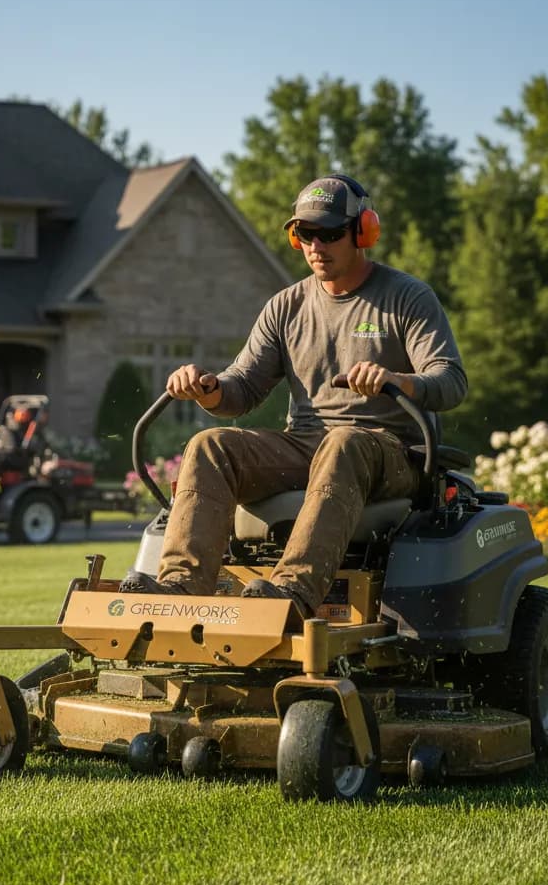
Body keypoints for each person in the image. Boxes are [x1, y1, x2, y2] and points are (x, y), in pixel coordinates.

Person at [121, 173, 467, 619]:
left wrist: (398, 381)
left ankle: (291, 594)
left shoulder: (406, 297)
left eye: (329, 234)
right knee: (210, 444)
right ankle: (181, 588)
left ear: (363, 232)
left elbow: (450, 380)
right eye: (306, 234)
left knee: (343, 442)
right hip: (307, 443)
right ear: (294, 236)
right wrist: (208, 389)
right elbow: (241, 389)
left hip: (388, 449)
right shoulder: (286, 307)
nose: (316, 246)